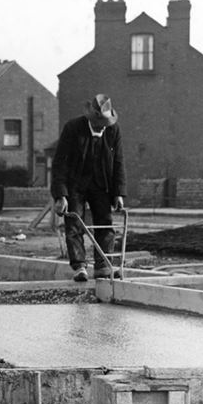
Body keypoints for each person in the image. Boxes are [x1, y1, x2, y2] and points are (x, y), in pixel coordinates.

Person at [50, 94, 126, 281]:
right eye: (99, 123)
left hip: (101, 184)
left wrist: (119, 193)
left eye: (105, 123)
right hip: (75, 184)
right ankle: (79, 267)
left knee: (105, 223)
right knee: (74, 224)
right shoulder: (73, 128)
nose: (102, 127)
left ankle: (103, 266)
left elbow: (118, 162)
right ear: (92, 118)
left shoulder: (112, 130)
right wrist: (61, 195)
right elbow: (59, 163)